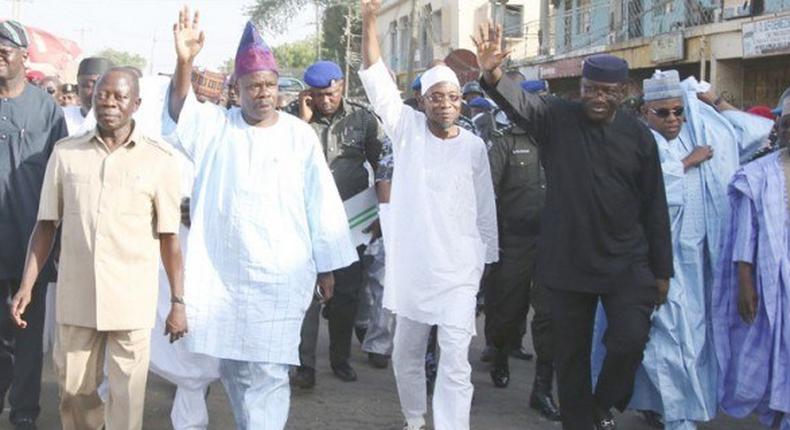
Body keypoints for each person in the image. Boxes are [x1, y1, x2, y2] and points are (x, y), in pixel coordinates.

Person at [164, 9, 357, 429]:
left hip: (281, 277)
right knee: (233, 367)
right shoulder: (217, 128)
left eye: (270, 85)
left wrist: (325, 266)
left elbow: (320, 203)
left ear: (280, 90)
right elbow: (181, 111)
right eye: (253, 86)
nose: (263, 93)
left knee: (270, 372)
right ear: (237, 89)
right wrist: (185, 62)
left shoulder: (299, 136)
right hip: (225, 278)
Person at [475, 23, 672, 430]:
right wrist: (493, 75)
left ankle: (604, 406)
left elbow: (655, 205)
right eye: (590, 89)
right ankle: (579, 422)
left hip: (626, 261)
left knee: (630, 340)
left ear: (624, 93)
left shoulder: (639, 138)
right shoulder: (557, 119)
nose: (597, 98)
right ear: (580, 87)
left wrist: (662, 271)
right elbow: (523, 106)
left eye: (607, 91)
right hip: (568, 261)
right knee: (571, 355)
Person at [592, 69, 772, 430]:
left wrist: (716, 103)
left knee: (692, 343)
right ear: (646, 112)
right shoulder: (636, 141)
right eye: (664, 112)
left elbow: (757, 133)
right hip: (655, 265)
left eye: (679, 111)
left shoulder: (704, 137)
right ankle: (675, 418)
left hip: (697, 267)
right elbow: (640, 193)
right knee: (666, 342)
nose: (673, 119)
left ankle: (664, 408)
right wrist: (687, 162)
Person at [10, 67, 186, 430]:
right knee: (73, 391)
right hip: (78, 297)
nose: (109, 103)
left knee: (127, 396)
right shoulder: (66, 154)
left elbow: (170, 238)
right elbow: (46, 225)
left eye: (119, 97)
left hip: (131, 298)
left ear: (135, 103)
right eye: (103, 94)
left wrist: (178, 303)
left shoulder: (159, 160)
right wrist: (26, 286)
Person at [359, 2, 499, 430]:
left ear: (461, 101)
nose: (445, 104)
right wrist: (368, 21)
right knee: (407, 351)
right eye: (436, 97)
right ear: (422, 100)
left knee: (457, 358)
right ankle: (415, 418)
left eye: (453, 97)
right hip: (416, 266)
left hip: (458, 269)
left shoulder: (474, 147)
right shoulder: (407, 131)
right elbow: (376, 78)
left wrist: (486, 259)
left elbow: (484, 206)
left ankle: (453, 425)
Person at [289, 60, 385, 386]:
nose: (324, 100)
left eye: (330, 93)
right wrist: (301, 122)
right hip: (304, 220)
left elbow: (384, 164)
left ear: (341, 86)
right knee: (307, 295)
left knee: (346, 295)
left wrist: (384, 212)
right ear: (307, 93)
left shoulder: (363, 117)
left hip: (351, 222)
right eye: (317, 94)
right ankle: (304, 366)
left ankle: (340, 358)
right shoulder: (289, 117)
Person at [0, 20, 67, 430]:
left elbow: (60, 180)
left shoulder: (47, 110)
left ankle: (24, 413)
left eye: (7, 47)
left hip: (32, 246)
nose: (0, 53)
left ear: (25, 55)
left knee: (26, 336)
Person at [483, 83, 560, 421]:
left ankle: (542, 389)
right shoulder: (505, 143)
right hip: (514, 241)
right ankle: (500, 355)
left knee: (550, 316)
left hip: (553, 244)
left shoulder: (561, 144)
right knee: (508, 308)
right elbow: (489, 195)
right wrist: (492, 240)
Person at [713, 96, 790, 430]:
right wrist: (746, 282)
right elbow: (746, 234)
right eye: (787, 124)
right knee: (774, 352)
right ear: (778, 128)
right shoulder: (757, 173)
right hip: (771, 279)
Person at [63, 57, 113, 135]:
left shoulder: (124, 124)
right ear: (77, 90)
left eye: (101, 85)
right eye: (87, 86)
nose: (95, 92)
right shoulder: (62, 117)